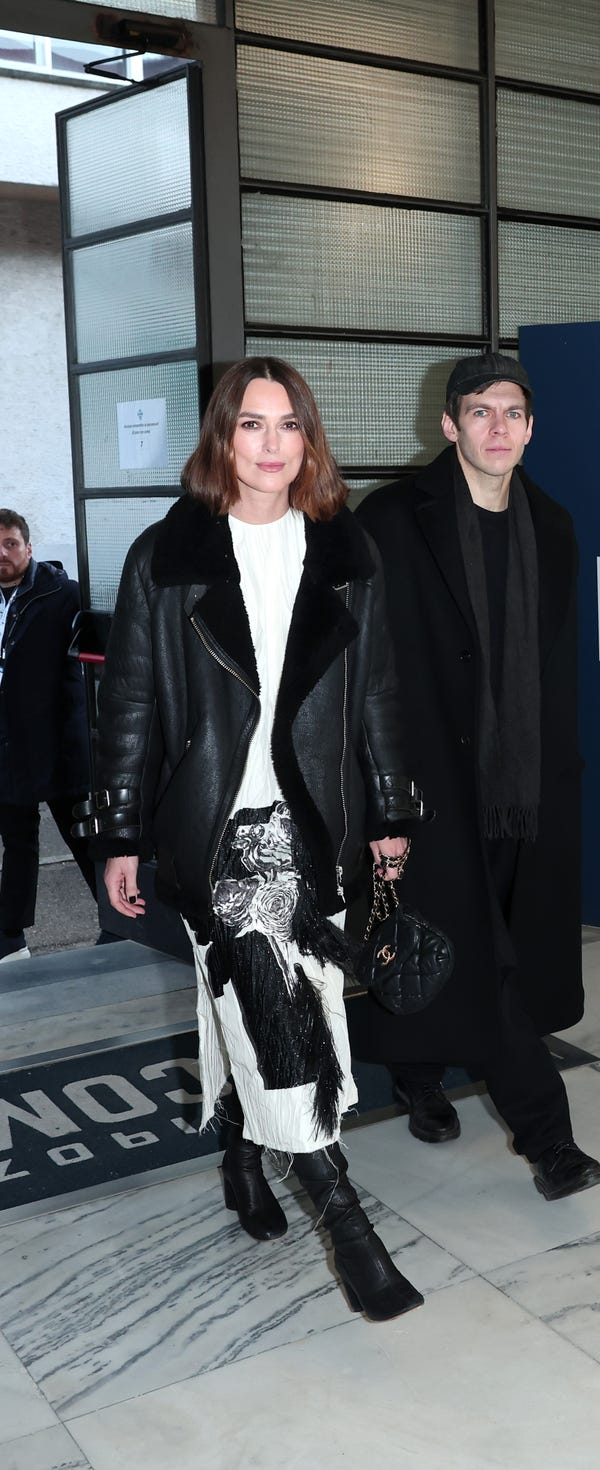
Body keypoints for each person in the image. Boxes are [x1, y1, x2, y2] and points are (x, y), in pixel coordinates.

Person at [79, 358, 428, 1321]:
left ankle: (242, 1156)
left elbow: (384, 696)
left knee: (289, 1000)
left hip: (316, 828)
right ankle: (352, 1233)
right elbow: (132, 707)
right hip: (216, 830)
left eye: (289, 426)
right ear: (221, 439)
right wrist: (116, 834)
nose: (272, 444)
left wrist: (394, 816)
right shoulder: (168, 557)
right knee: (285, 1028)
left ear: (309, 441)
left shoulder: (348, 555)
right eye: (251, 425)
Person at [350, 352, 600, 1201]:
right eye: (481, 412)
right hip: (428, 787)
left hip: (524, 787)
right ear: (448, 424)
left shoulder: (556, 525)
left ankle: (418, 1073)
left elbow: (556, 668)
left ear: (532, 427)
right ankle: (551, 1142)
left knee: (474, 948)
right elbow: (364, 666)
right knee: (487, 963)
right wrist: (379, 794)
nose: (500, 428)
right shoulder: (392, 520)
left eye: (515, 413)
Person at [0, 510, 97, 963]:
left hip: (58, 742)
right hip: (8, 745)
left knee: (83, 836)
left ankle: (121, 922)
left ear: (29, 547)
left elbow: (90, 664)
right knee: (17, 841)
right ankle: (11, 940)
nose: (2, 554)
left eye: (11, 544)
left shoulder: (63, 594)